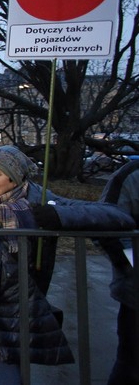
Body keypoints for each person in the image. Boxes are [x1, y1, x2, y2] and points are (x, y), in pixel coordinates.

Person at [0, 145, 135, 385]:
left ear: (14, 179)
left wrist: (58, 217)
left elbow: (116, 216)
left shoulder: (39, 201)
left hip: (11, 319)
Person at [98, 159, 139, 385]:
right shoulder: (131, 176)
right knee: (131, 368)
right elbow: (106, 223)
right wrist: (128, 264)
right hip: (135, 296)